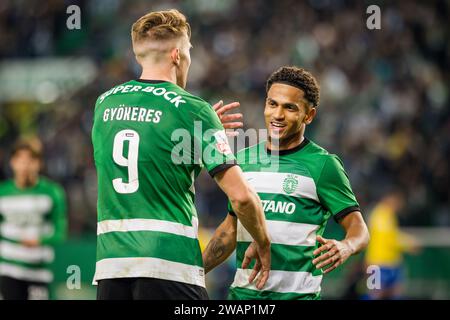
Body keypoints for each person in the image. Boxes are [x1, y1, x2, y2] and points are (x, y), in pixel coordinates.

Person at [91, 9, 271, 300]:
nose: (189, 58)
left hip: (111, 267)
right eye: (188, 50)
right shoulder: (192, 109)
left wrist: (190, 137)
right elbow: (241, 197)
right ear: (176, 55)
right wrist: (262, 241)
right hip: (169, 266)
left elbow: (148, 163)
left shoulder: (103, 105)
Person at [202, 66, 370, 300]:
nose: (278, 115)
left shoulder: (324, 166)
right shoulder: (243, 160)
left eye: (290, 108)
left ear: (309, 115)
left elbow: (359, 229)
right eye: (273, 104)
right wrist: (194, 273)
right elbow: (230, 230)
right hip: (241, 299)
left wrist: (346, 246)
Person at [0, 139, 67, 300]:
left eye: (31, 160)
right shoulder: (3, 193)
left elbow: (60, 233)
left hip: (38, 271)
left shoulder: (52, 192)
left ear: (39, 163)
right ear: (12, 162)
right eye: (21, 160)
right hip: (7, 269)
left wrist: (40, 240)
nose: (25, 166)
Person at [364, 189, 420, 299]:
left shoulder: (388, 215)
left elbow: (392, 235)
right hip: (378, 264)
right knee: (375, 295)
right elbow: (389, 238)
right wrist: (409, 244)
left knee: (394, 293)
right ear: (389, 199)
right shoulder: (380, 214)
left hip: (391, 262)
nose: (398, 206)